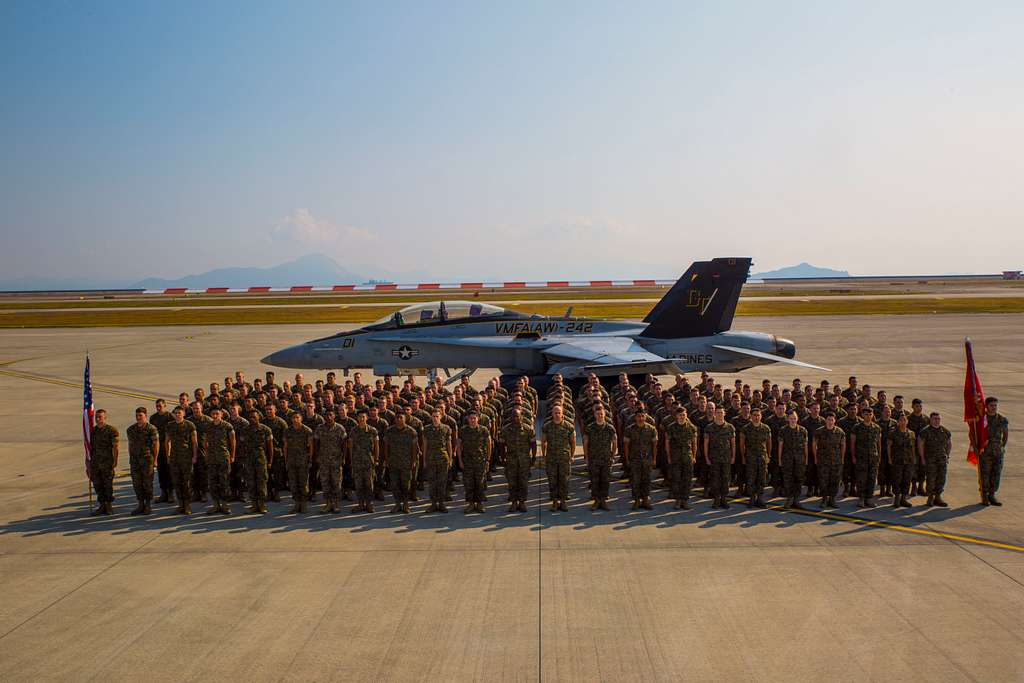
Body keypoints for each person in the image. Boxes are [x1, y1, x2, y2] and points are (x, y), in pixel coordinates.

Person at [541, 405, 575, 512]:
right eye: (555, 413)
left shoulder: (569, 427)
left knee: (564, 480)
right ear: (552, 414)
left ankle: (563, 502)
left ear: (562, 414)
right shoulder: (547, 427)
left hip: (564, 458)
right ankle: (555, 502)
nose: (557, 415)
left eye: (559, 413)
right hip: (551, 458)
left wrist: (572, 455)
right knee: (552, 480)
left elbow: (573, 442)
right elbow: (543, 442)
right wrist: (544, 455)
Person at [126, 406, 160, 515]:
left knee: (147, 483)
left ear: (146, 415)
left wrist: (155, 460)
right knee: (137, 483)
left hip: (147, 460)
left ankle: (148, 505)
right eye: (137, 415)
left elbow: (156, 444)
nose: (138, 417)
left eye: (140, 415)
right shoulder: (131, 429)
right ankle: (141, 504)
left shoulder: (151, 429)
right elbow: (130, 445)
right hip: (135, 460)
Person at [164, 406, 197, 515]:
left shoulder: (189, 425)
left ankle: (187, 505)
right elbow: (167, 441)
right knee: (176, 482)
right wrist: (168, 455)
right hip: (174, 458)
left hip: (186, 458)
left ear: (183, 413)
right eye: (176, 413)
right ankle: (180, 505)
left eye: (179, 412)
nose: (177, 414)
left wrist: (194, 456)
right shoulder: (170, 426)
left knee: (186, 482)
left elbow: (194, 443)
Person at [383, 413, 419, 513]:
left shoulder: (411, 431)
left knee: (406, 485)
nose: (399, 419)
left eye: (401, 417)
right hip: (393, 462)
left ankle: (406, 504)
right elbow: (386, 447)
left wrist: (413, 461)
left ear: (405, 419)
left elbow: (414, 449)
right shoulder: (389, 431)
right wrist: (387, 460)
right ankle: (397, 504)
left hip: (406, 463)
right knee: (395, 485)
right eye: (397, 417)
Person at [203, 408, 235, 515]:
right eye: (213, 414)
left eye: (217, 413)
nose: (215, 415)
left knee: (224, 481)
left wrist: (232, 456)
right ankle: (216, 505)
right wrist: (207, 455)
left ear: (221, 414)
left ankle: (225, 505)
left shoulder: (227, 426)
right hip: (212, 458)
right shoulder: (208, 426)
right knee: (212, 482)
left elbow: (232, 442)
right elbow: (206, 442)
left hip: (223, 457)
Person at [503, 409, 536, 513]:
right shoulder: (505, 430)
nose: (515, 418)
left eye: (517, 416)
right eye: (513, 416)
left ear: (521, 416)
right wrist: (502, 457)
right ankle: (513, 502)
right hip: (511, 460)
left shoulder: (528, 429)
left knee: (523, 482)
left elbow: (533, 444)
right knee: (512, 482)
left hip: (524, 461)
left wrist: (533, 457)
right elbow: (501, 445)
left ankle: (522, 502)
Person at [664, 407, 697, 509]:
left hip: (687, 456)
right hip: (676, 457)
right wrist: (669, 457)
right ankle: (678, 500)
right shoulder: (671, 427)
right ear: (676, 416)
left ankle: (685, 500)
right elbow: (667, 443)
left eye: (683, 415)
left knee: (687, 479)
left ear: (686, 415)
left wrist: (694, 456)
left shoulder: (692, 428)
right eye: (680, 415)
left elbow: (694, 443)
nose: (682, 417)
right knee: (676, 479)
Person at [459, 412, 491, 513]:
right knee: (468, 483)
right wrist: (460, 460)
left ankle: (480, 504)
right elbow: (459, 445)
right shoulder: (463, 430)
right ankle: (471, 504)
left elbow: (489, 444)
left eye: (474, 418)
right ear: (468, 420)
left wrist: (488, 459)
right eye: (470, 418)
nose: (472, 420)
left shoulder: (483, 430)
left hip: (480, 461)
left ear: (478, 419)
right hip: (467, 461)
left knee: (480, 483)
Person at [315, 410, 347, 513]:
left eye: (330, 415)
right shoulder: (320, 428)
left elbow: (344, 444)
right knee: (325, 483)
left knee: (336, 483)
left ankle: (336, 504)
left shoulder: (340, 428)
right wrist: (318, 456)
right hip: (324, 460)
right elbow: (316, 443)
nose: (328, 417)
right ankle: (328, 504)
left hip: (336, 460)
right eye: (326, 415)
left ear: (334, 416)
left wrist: (343, 458)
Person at [703, 408, 736, 509]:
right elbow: (706, 444)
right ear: (714, 414)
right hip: (714, 458)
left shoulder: (730, 427)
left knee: (726, 478)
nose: (719, 414)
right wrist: (707, 458)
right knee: (715, 479)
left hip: (726, 458)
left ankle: (724, 499)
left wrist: (733, 456)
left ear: (724, 413)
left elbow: (733, 444)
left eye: (721, 412)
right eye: (717, 412)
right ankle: (716, 499)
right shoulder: (709, 427)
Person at [89, 409, 119, 516]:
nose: (98, 419)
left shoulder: (111, 430)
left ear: (105, 418)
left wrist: (115, 461)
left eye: (100, 417)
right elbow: (89, 449)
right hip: (95, 463)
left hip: (107, 463)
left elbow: (115, 448)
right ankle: (102, 505)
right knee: (97, 485)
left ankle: (109, 506)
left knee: (108, 485)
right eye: (96, 417)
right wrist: (88, 465)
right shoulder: (92, 431)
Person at [422, 410, 454, 513]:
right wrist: (424, 460)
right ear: (431, 417)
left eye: (437, 416)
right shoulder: (427, 429)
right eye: (433, 416)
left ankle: (441, 503)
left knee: (442, 482)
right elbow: (425, 445)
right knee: (432, 482)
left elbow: (449, 444)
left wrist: (450, 459)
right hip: (431, 458)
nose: (435, 418)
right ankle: (433, 504)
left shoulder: (446, 428)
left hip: (442, 458)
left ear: (440, 417)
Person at [979, 397, 1009, 506]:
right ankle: (984, 496)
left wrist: (1002, 447)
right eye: (991, 405)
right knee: (985, 475)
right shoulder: (982, 419)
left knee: (996, 474)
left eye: (995, 405)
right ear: (986, 406)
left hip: (998, 452)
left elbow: (1005, 435)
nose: (994, 407)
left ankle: (992, 495)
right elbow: (975, 434)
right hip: (985, 452)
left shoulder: (1002, 419)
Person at [243, 410, 273, 514]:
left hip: (261, 459)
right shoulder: (245, 430)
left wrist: (270, 461)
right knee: (251, 483)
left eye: (254, 417)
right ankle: (254, 505)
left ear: (258, 417)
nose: (252, 419)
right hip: (249, 460)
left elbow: (270, 447)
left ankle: (262, 505)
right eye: (250, 417)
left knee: (262, 482)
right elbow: (243, 446)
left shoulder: (265, 430)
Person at [851, 408, 882, 508]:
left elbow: (878, 443)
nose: (868, 416)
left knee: (872, 479)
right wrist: (853, 456)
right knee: (861, 479)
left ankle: (869, 498)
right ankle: (861, 499)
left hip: (873, 457)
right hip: (861, 457)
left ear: (872, 415)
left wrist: (879, 456)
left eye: (870, 414)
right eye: (866, 414)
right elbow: (853, 443)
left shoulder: (876, 428)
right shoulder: (857, 427)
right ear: (862, 415)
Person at [740, 408, 771, 508]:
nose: (756, 417)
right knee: (751, 478)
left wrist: (768, 455)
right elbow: (742, 444)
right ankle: (752, 498)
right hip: (750, 458)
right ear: (751, 416)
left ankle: (760, 498)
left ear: (761, 416)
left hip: (762, 457)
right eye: (754, 415)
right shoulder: (746, 428)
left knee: (762, 478)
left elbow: (769, 443)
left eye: (758, 415)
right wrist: (743, 457)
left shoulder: (766, 428)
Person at [283, 412, 314, 513]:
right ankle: (296, 504)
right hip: (291, 460)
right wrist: (286, 460)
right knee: (293, 483)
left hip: (303, 461)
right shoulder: (288, 431)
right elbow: (286, 446)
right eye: (293, 418)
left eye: (297, 417)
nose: (295, 419)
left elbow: (311, 447)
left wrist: (310, 460)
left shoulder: (307, 430)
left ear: (301, 419)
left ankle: (304, 504)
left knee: (303, 483)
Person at [349, 411, 379, 513]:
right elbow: (351, 447)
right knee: (359, 484)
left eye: (363, 417)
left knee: (369, 484)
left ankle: (369, 504)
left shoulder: (372, 430)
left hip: (368, 461)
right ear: (357, 418)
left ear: (366, 418)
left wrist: (376, 459)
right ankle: (361, 504)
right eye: (360, 417)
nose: (361, 419)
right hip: (357, 461)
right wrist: (351, 461)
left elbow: (376, 446)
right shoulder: (353, 431)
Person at [778, 411, 809, 509]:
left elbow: (805, 446)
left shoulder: (803, 430)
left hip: (800, 459)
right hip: (787, 459)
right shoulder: (783, 430)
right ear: (787, 419)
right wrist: (779, 459)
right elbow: (780, 446)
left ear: (797, 419)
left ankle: (796, 499)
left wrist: (806, 459)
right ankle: (789, 498)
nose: (793, 420)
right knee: (788, 479)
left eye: (794, 418)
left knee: (799, 479)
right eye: (791, 418)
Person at [814, 413, 845, 509]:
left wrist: (842, 458)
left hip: (836, 461)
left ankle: (832, 499)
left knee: (835, 481)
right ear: (825, 420)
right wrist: (816, 458)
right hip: (823, 461)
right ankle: (824, 499)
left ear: (834, 421)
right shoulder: (819, 431)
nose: (830, 421)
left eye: (832, 419)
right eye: (828, 419)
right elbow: (814, 445)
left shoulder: (840, 432)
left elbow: (843, 446)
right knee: (823, 481)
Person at [887, 414, 916, 508]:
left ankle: (903, 499)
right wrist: (890, 458)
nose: (903, 422)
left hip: (908, 461)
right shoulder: (893, 433)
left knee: (907, 480)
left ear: (907, 422)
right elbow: (889, 446)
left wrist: (913, 458)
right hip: (897, 460)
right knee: (897, 480)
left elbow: (913, 447)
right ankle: (897, 499)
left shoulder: (911, 433)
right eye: (901, 420)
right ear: (898, 422)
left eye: (904, 420)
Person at [150, 399, 174, 504]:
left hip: (168, 447)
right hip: (158, 449)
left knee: (169, 471)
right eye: (157, 406)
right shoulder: (153, 418)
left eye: (160, 405)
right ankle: (163, 492)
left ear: (165, 405)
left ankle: (170, 494)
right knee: (161, 471)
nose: (158, 407)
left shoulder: (170, 417)